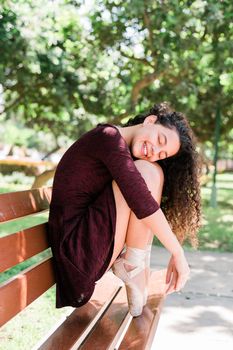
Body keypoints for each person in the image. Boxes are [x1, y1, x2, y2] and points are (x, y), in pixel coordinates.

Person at [48, 102, 202, 317]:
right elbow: (141, 201)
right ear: (150, 120)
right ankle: (133, 266)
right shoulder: (107, 137)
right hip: (76, 261)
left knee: (152, 171)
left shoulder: (120, 149)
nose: (155, 151)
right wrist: (178, 252)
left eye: (162, 153)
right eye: (160, 139)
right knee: (145, 172)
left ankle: (136, 265)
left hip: (85, 256)